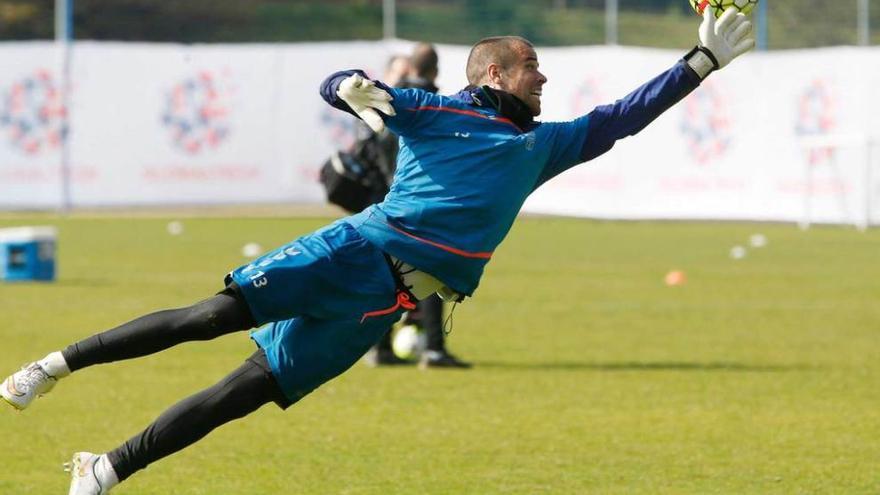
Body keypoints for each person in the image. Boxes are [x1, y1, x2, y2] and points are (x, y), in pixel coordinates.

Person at [1, 9, 753, 494]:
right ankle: (50, 366)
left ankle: (103, 469)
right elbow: (342, 86)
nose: (543, 74)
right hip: (349, 251)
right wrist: (349, 86)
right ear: (494, 73)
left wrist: (701, 62)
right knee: (208, 316)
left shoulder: (545, 145)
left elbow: (624, 117)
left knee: (241, 395)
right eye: (531, 64)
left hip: (383, 301)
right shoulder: (436, 110)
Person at [357, 43, 471, 369]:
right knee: (433, 276)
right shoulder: (438, 108)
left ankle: (380, 349)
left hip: (386, 204)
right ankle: (433, 349)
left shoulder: (391, 105)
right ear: (435, 71)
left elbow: (376, 151)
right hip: (424, 208)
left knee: (385, 280)